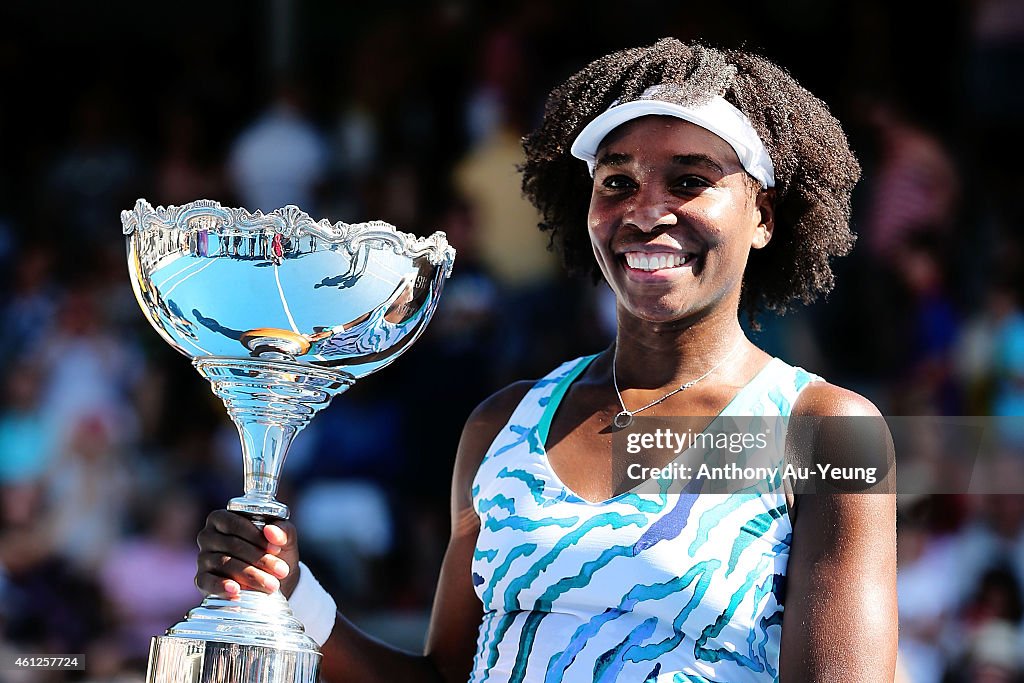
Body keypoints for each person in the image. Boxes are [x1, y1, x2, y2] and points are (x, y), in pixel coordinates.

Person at [196, 38, 897, 681]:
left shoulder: (825, 430)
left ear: (765, 216)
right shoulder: (502, 423)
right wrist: (289, 590)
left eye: (688, 181)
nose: (647, 210)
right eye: (617, 182)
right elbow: (445, 677)